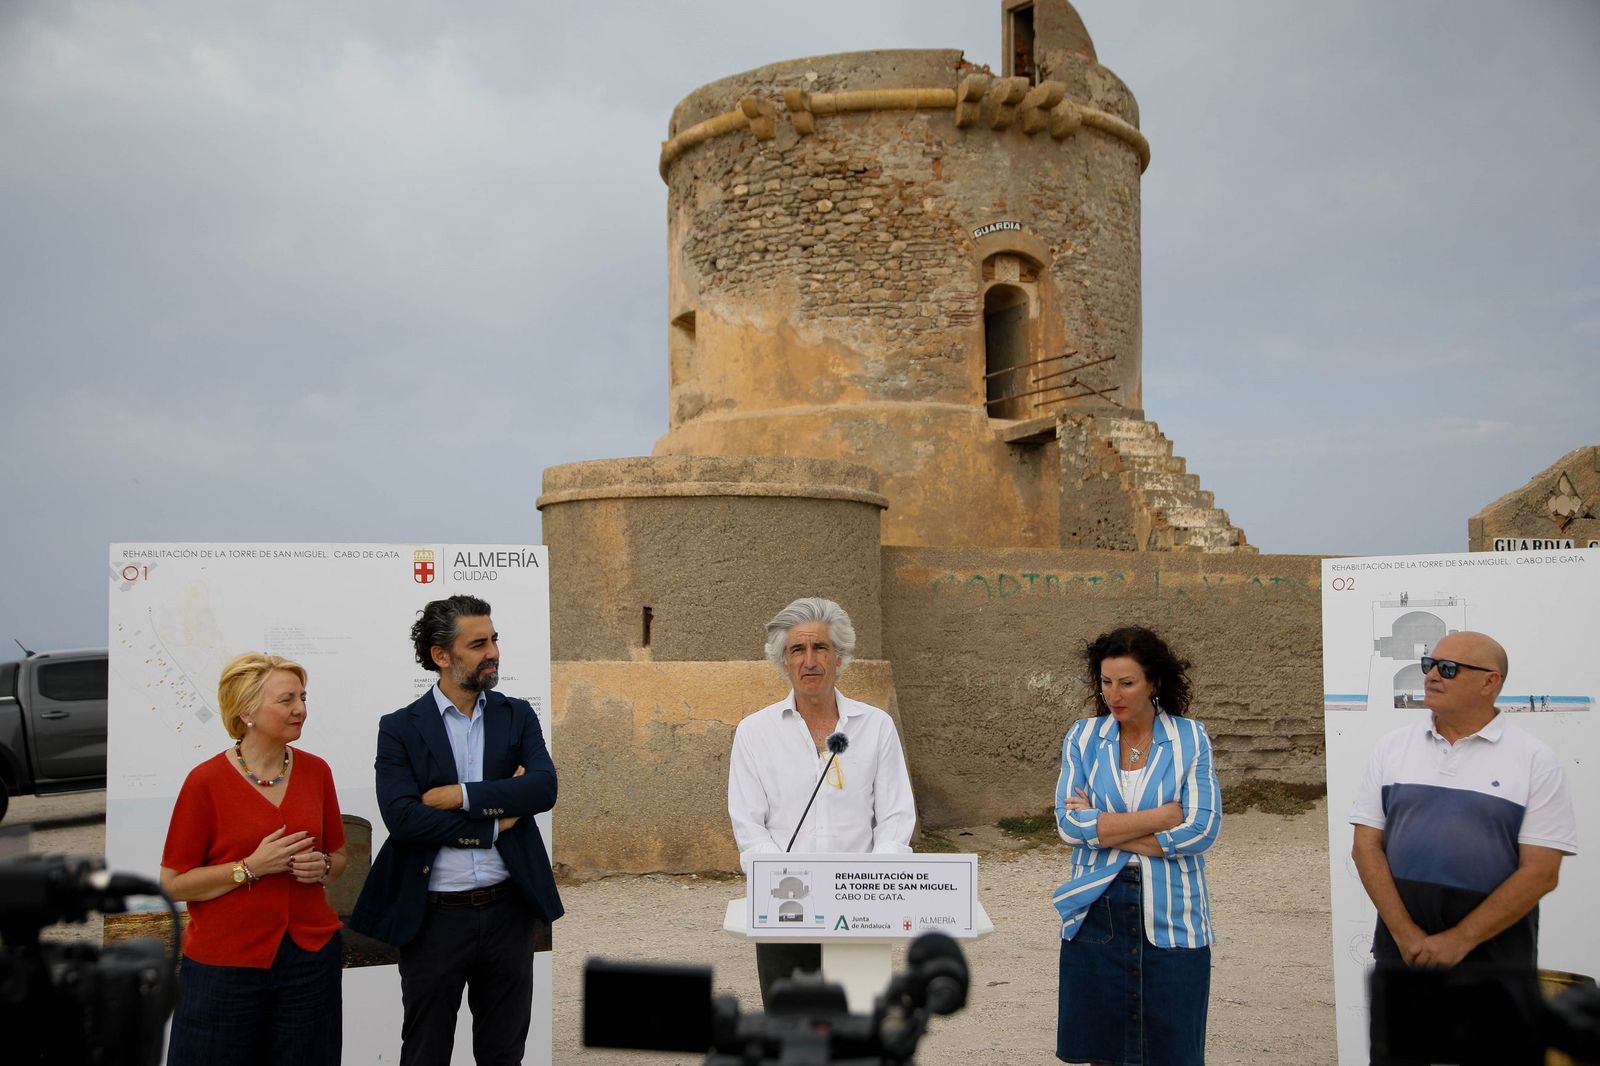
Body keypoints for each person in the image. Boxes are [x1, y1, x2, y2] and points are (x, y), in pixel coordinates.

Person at [349, 594, 562, 1066]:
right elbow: (403, 817)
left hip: (509, 913)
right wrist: (495, 821)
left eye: (494, 640)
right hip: (434, 920)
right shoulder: (400, 728)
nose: (493, 652)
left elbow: (544, 789)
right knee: (426, 1050)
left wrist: (461, 796)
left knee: (503, 1052)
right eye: (478, 643)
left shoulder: (516, 714)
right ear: (441, 656)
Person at [727, 596, 916, 1007]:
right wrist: (785, 883)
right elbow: (749, 826)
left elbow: (896, 817)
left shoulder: (876, 727)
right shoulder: (753, 733)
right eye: (798, 650)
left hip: (860, 912)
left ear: (840, 658)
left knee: (860, 1035)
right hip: (784, 911)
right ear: (783, 661)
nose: (809, 660)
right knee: (792, 1037)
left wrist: (875, 886)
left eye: (820, 648)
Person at [160, 652, 347, 1066]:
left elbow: (337, 856)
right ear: (246, 711)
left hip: (310, 960)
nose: (300, 709)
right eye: (286, 700)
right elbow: (172, 882)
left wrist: (324, 867)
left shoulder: (317, 772)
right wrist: (249, 868)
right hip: (224, 967)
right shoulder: (205, 782)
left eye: (302, 697)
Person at [1350, 630, 1576, 970]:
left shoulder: (1535, 760)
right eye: (1429, 664)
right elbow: (1365, 847)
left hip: (1495, 965)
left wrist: (1458, 941)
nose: (1432, 675)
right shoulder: (1392, 748)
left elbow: (1542, 872)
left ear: (1489, 682)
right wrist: (1405, 935)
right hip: (1402, 959)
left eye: (1449, 668)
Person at [1052, 626, 1221, 1066]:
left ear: (1154, 682)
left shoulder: (1190, 738)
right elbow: (1069, 825)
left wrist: (1108, 830)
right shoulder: (1084, 737)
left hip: (1173, 915)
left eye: (1127, 683)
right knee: (1103, 1054)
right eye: (1106, 682)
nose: (1114, 694)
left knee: (1173, 1053)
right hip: (1095, 909)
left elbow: (1201, 829)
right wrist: (1162, 818)